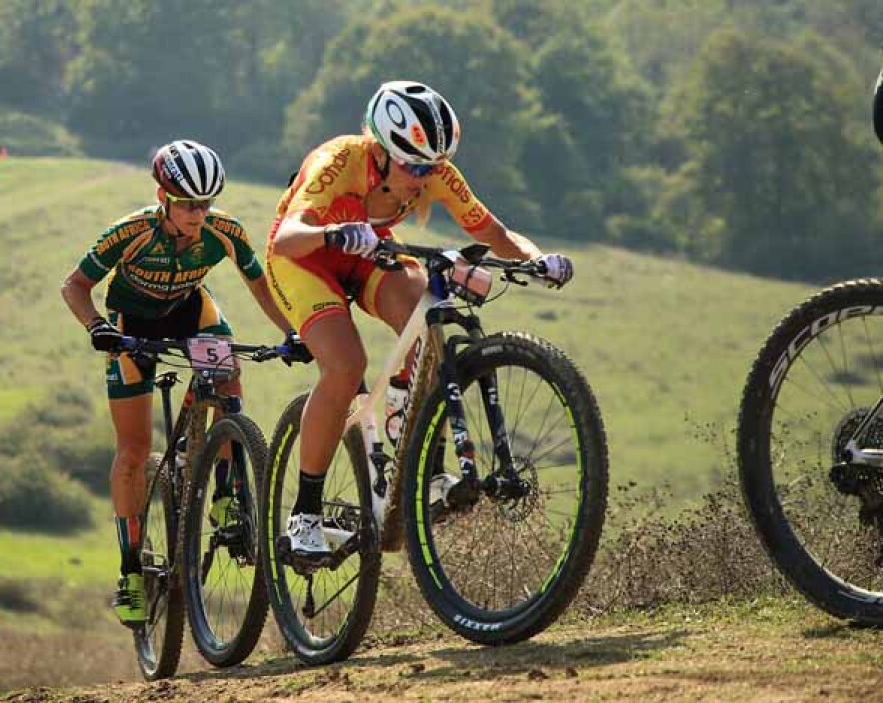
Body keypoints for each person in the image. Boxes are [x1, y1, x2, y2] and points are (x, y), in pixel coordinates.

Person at [265, 80, 574, 556]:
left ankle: (416, 452)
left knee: (426, 312)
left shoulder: (435, 172)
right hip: (306, 259)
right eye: (412, 164)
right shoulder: (340, 160)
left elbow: (489, 230)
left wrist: (535, 259)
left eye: (432, 164)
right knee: (346, 365)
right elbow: (288, 236)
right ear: (381, 150)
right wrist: (333, 233)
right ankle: (304, 513)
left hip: (369, 252)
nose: (422, 176)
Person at [61, 140, 302, 627]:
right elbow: (74, 286)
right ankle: (130, 569)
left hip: (192, 312)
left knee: (229, 371)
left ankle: (227, 496)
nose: (199, 214)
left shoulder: (224, 231)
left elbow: (259, 284)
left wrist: (292, 332)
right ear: (164, 197)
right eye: (189, 204)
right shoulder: (129, 232)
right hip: (132, 327)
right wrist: (97, 328)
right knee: (132, 450)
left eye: (206, 203)